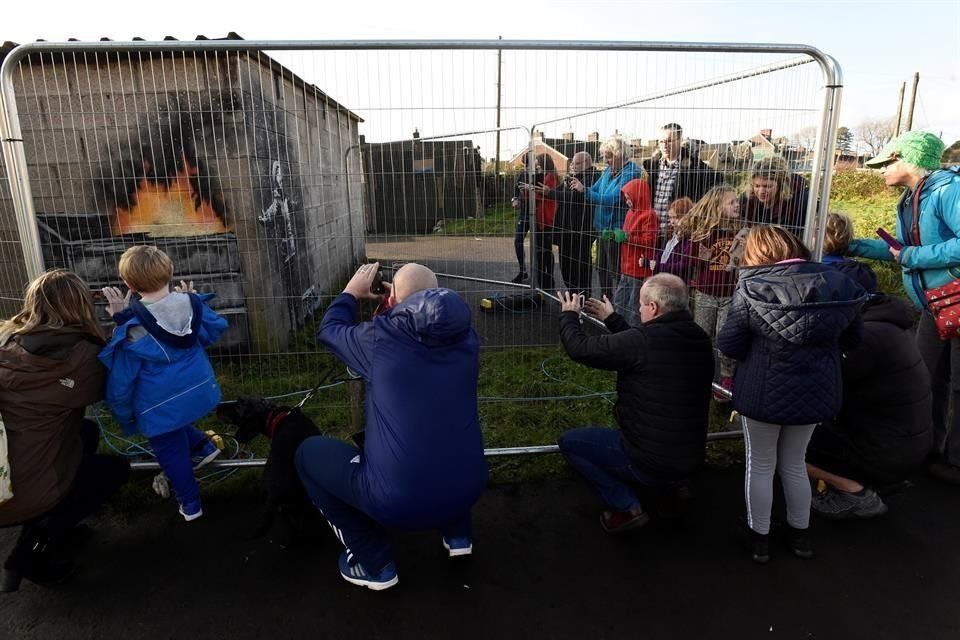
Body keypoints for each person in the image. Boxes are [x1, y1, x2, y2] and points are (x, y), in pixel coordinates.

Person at [297, 262, 487, 591]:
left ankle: (374, 563)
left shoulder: (379, 339)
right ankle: (458, 535)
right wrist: (401, 303)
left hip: (398, 504)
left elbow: (329, 329)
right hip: (470, 487)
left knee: (307, 454)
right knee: (442, 435)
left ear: (394, 300)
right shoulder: (467, 338)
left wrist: (351, 293)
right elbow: (426, 324)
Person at [717, 226, 866, 563]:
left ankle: (759, 538)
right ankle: (801, 536)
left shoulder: (751, 288)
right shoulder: (837, 283)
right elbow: (853, 339)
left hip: (762, 391)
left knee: (760, 463)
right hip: (815, 391)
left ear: (756, 255)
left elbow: (729, 344)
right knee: (795, 462)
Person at [0, 270, 129, 592]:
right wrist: (122, 321)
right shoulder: (78, 355)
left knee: (86, 432)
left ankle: (53, 522)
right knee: (115, 469)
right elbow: (118, 387)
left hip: (5, 472)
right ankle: (33, 550)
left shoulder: (8, 339)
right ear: (81, 304)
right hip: (20, 494)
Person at [556, 274, 714, 533]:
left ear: (653, 307)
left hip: (647, 459)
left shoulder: (643, 342)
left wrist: (570, 315)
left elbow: (580, 348)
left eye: (641, 304)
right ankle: (673, 489)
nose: (639, 309)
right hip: (691, 457)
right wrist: (612, 319)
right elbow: (644, 347)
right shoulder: (700, 339)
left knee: (571, 443)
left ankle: (625, 506)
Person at [846, 132, 960, 484]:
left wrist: (913, 256)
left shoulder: (948, 191)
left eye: (886, 163)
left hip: (955, 301)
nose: (880, 170)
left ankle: (955, 463)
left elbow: (913, 252)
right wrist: (848, 244)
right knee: (926, 378)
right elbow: (899, 250)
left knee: (958, 384)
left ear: (908, 160)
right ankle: (929, 451)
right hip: (933, 304)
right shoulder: (911, 197)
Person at [807, 214, 933, 518]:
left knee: (787, 446)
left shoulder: (864, 338)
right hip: (906, 442)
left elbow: (824, 389)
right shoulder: (885, 322)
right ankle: (878, 478)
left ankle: (856, 493)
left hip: (888, 450)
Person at [98, 246, 227, 522]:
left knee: (169, 449)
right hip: (200, 391)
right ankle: (204, 447)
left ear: (128, 284)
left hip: (159, 404)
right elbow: (212, 331)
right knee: (172, 419)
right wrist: (192, 300)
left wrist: (124, 415)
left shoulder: (131, 329)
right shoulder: (192, 304)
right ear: (171, 271)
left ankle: (190, 505)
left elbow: (121, 382)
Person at [676, 185, 747, 400]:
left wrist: (744, 249)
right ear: (717, 207)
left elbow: (744, 262)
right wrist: (699, 255)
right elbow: (689, 260)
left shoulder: (739, 231)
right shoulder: (703, 233)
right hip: (705, 293)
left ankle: (726, 377)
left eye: (737, 201)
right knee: (703, 334)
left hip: (730, 294)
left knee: (725, 337)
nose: (737, 205)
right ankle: (698, 372)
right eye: (731, 202)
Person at [569, 135, 642, 300]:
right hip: (602, 227)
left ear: (619, 154)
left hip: (616, 229)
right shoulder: (609, 171)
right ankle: (606, 300)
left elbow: (614, 200)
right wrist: (582, 186)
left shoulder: (630, 173)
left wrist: (585, 191)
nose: (605, 160)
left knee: (615, 270)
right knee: (602, 268)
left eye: (608, 156)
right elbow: (594, 189)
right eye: (604, 156)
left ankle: (619, 304)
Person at [642, 123, 723, 234]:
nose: (665, 145)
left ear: (680, 140)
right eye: (661, 141)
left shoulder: (694, 167)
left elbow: (718, 181)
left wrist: (695, 211)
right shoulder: (653, 166)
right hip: (653, 231)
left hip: (679, 232)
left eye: (669, 141)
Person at [546, 151, 598, 294]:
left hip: (580, 231)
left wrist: (549, 193)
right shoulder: (571, 178)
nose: (573, 166)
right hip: (566, 231)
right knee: (566, 265)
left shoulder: (592, 177)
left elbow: (574, 197)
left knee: (580, 267)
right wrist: (545, 191)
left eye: (577, 163)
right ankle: (573, 294)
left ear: (587, 163)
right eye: (572, 163)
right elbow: (558, 191)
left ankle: (583, 297)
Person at [612, 178, 659, 327]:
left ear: (639, 196)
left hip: (638, 269)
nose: (627, 201)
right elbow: (626, 235)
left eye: (629, 198)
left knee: (634, 306)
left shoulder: (649, 215)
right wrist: (614, 235)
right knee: (619, 300)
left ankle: (633, 331)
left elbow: (649, 241)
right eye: (626, 198)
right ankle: (618, 328)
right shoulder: (630, 213)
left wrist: (627, 237)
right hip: (626, 266)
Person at [518, 154, 560, 290]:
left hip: (546, 218)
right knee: (541, 250)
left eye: (538, 164)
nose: (536, 167)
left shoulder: (550, 177)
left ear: (544, 164)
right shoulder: (544, 176)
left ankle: (547, 281)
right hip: (541, 218)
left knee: (545, 251)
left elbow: (546, 196)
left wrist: (531, 189)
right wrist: (527, 191)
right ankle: (542, 280)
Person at [740, 157, 810, 236]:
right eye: (757, 186)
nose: (761, 192)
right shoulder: (746, 201)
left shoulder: (801, 201)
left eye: (767, 186)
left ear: (781, 185)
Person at [655, 197, 696, 282]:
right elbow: (664, 253)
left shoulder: (690, 239)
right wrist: (651, 261)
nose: (672, 222)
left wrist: (658, 265)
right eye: (670, 218)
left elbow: (683, 265)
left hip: (677, 281)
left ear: (686, 217)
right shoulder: (673, 233)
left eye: (676, 217)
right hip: (664, 277)